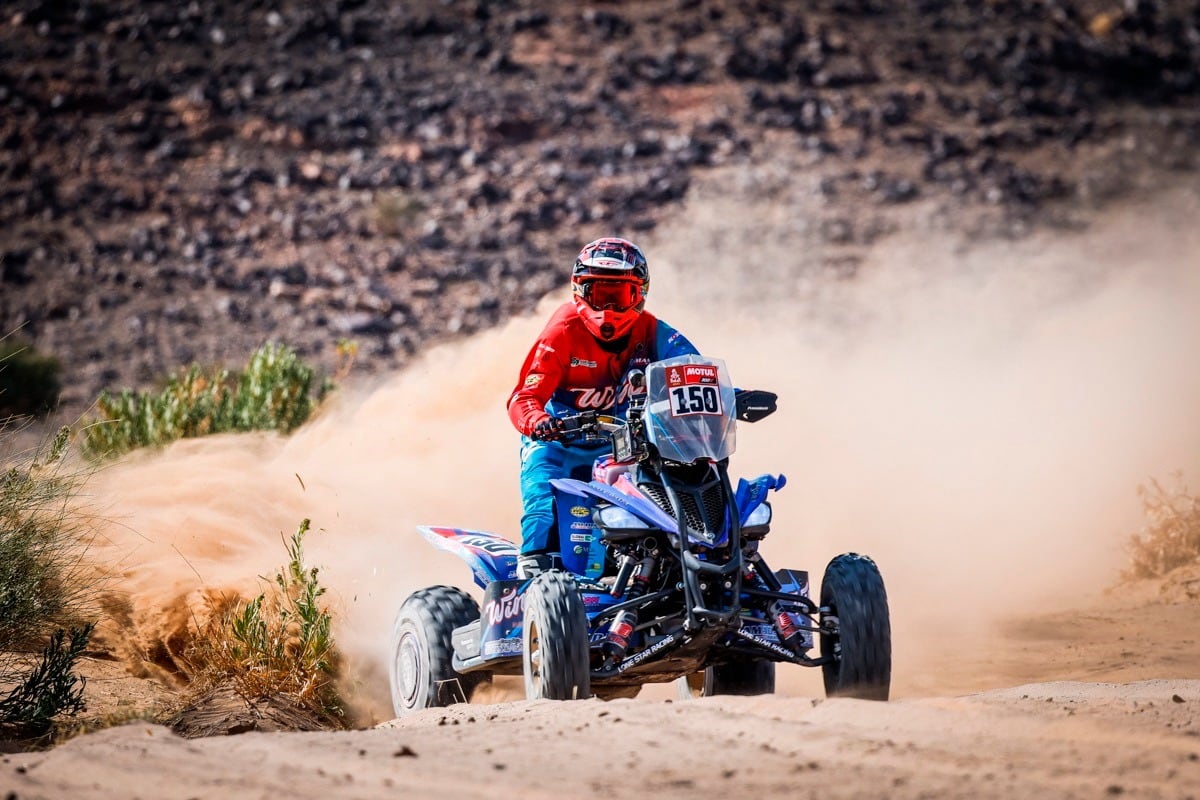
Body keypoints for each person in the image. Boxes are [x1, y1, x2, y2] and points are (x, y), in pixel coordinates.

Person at [507, 237, 700, 578]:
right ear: (579, 291)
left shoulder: (653, 331)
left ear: (639, 294)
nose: (608, 308)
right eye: (599, 294)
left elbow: (693, 370)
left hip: (623, 446)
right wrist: (538, 422)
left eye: (619, 295)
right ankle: (533, 581)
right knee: (542, 509)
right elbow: (523, 397)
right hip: (558, 441)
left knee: (664, 501)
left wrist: (732, 396)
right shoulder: (561, 332)